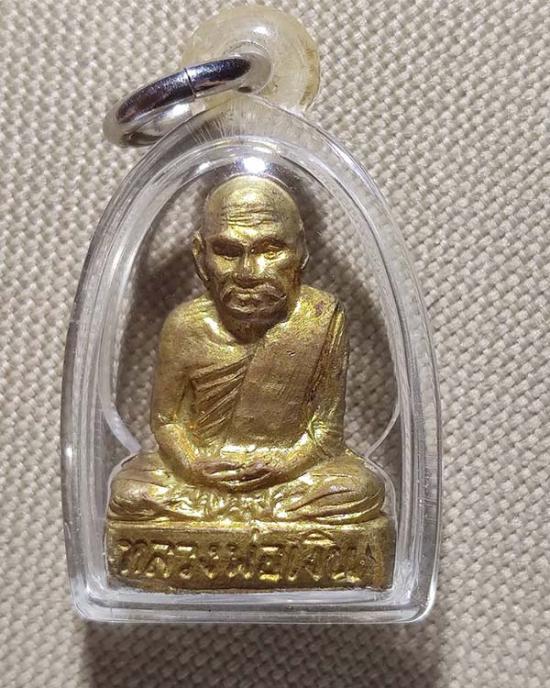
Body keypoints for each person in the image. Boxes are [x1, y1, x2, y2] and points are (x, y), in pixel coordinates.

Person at [108, 175, 385, 525]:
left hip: (290, 477)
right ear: (200, 256)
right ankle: (257, 515)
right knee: (131, 493)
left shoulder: (321, 317)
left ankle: (236, 515)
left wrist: (283, 466)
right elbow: (166, 421)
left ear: (301, 250)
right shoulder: (185, 327)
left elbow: (326, 432)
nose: (248, 273)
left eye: (270, 250)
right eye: (227, 252)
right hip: (205, 476)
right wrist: (194, 465)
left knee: (360, 488)